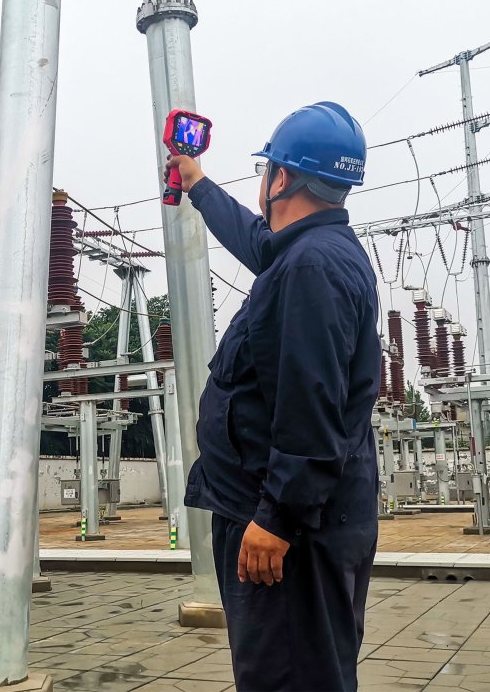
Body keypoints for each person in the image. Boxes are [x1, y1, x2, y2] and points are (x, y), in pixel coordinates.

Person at [163, 101, 382, 692]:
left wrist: (276, 521)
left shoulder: (311, 268)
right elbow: (259, 242)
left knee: (289, 679)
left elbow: (312, 406)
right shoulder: (309, 253)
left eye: (265, 170)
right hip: (294, 517)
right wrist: (197, 183)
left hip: (290, 532)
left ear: (279, 178)